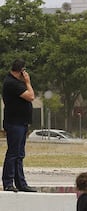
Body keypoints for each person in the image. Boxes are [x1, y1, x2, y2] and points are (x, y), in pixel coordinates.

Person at [2, 59, 36, 192]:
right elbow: (31, 96)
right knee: (13, 153)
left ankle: (21, 182)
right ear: (22, 71)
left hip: (21, 122)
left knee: (19, 154)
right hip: (14, 123)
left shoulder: (15, 82)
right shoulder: (12, 83)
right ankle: (8, 182)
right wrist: (28, 82)